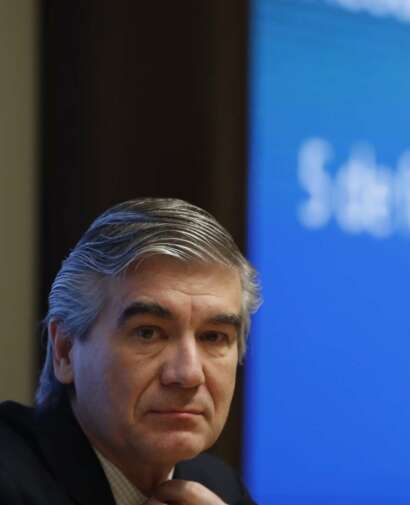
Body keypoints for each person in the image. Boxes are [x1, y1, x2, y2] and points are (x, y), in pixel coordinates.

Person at [0, 198, 262, 505]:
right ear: (65, 350)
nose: (188, 374)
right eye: (148, 333)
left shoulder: (217, 486)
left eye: (213, 337)